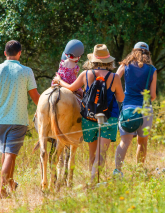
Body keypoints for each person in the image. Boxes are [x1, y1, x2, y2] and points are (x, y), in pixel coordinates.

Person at [53, 44, 124, 182]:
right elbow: (121, 98)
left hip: (88, 118)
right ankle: (94, 181)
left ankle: (93, 181)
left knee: (92, 153)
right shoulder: (114, 77)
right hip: (109, 118)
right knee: (101, 153)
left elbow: (71, 87)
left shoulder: (85, 74)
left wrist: (59, 81)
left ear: (93, 60)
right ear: (108, 61)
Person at [0, 40, 40, 198]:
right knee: (10, 155)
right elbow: (35, 97)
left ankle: (11, 186)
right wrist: (46, 107)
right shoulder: (26, 71)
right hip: (18, 121)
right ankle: (1, 190)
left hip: (0, 120)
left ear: (4, 53)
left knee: (6, 154)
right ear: (20, 53)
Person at [114, 42, 157, 176]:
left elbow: (114, 80)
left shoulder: (125, 66)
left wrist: (121, 93)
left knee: (125, 142)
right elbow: (153, 96)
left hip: (127, 108)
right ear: (147, 54)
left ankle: (117, 171)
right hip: (145, 110)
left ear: (134, 52)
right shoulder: (152, 70)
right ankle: (139, 171)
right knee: (142, 142)